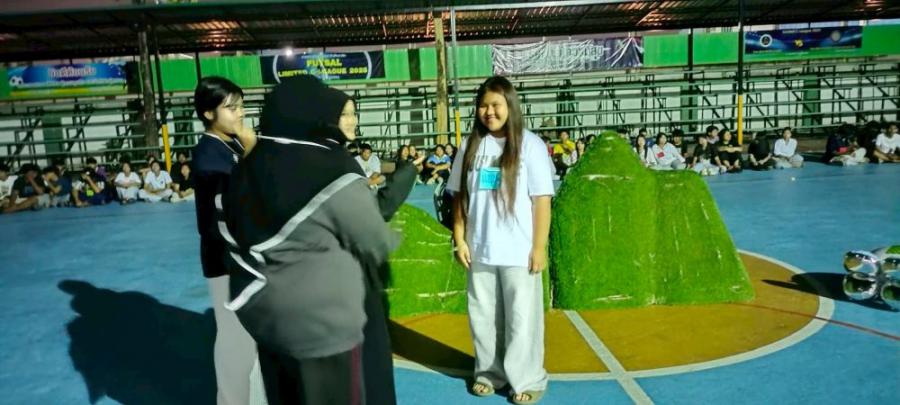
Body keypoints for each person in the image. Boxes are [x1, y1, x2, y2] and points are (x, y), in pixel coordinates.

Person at [221, 75, 397, 405]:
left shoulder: (248, 165)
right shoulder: (332, 166)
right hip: (322, 325)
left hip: (265, 317)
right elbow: (374, 238)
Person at [448, 76, 554, 405]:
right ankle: (488, 374)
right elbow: (459, 196)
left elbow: (542, 200)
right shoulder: (470, 146)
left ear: (510, 105)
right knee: (482, 318)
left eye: (496, 105)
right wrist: (460, 238)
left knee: (522, 320)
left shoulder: (530, 145)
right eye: (483, 105)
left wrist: (539, 247)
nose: (489, 112)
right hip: (479, 249)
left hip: (519, 252)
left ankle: (527, 378)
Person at [191, 76, 261, 405]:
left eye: (241, 106)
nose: (240, 114)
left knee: (250, 336)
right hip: (224, 259)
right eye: (231, 108)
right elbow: (238, 190)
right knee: (235, 339)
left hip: (243, 256)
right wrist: (253, 151)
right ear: (208, 113)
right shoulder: (208, 154)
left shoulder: (231, 144)